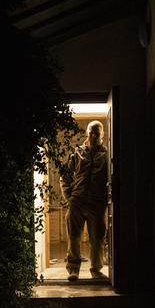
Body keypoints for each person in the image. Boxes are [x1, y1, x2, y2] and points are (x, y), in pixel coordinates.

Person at [59, 120, 108, 281]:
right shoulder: (78, 153)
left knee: (97, 238)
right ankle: (74, 270)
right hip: (77, 202)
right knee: (74, 237)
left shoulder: (107, 155)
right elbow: (64, 176)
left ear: (102, 134)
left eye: (97, 133)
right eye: (91, 132)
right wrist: (69, 198)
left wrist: (107, 199)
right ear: (87, 132)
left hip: (97, 203)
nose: (93, 135)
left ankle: (96, 270)